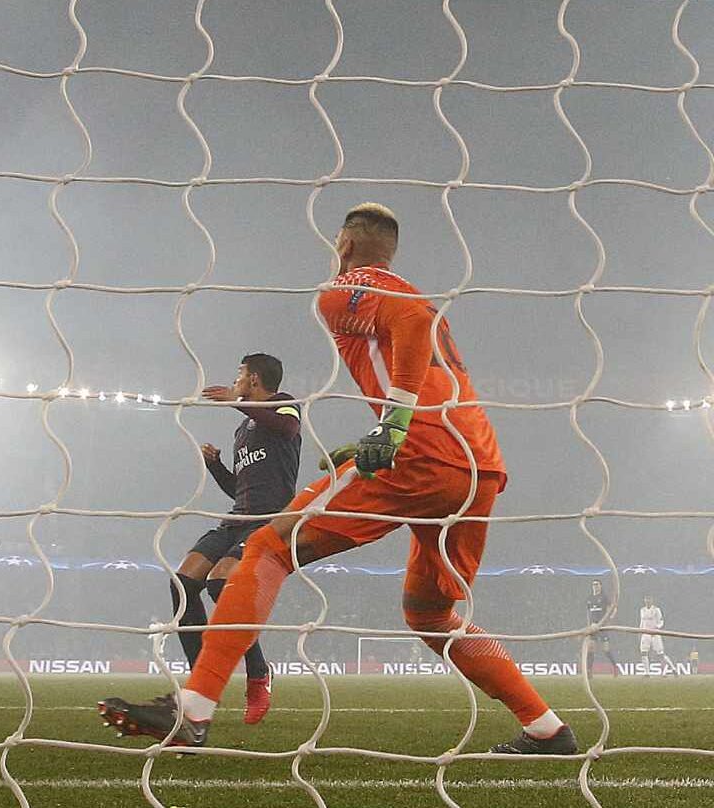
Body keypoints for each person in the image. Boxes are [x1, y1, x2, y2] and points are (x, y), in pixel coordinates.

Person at [98, 202, 575, 755]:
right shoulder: (412, 293)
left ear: (344, 243)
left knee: (268, 548)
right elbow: (421, 347)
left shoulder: (345, 287)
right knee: (430, 613)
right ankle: (546, 728)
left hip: (420, 454)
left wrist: (394, 427)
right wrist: (381, 430)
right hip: (477, 469)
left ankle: (194, 709)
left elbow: (411, 324)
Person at [169, 354, 300, 725]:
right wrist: (216, 467)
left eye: (240, 374)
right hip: (237, 517)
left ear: (254, 379)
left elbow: (288, 430)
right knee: (182, 585)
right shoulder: (243, 429)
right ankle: (200, 681)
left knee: (222, 585)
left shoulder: (283, 404)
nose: (235, 379)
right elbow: (240, 489)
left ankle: (259, 674)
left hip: (270, 520)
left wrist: (236, 400)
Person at [585, 580, 621, 675]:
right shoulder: (589, 598)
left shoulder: (604, 597)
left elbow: (613, 608)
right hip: (593, 627)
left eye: (597, 584)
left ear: (601, 586)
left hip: (602, 626)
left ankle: (615, 667)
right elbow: (588, 613)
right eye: (593, 585)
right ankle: (589, 671)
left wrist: (610, 619)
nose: (595, 586)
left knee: (606, 650)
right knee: (591, 648)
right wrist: (589, 625)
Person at [638, 595, 677, 676]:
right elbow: (642, 622)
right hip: (645, 634)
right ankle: (647, 673)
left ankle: (673, 668)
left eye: (649, 599)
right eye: (646, 599)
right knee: (643, 653)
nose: (647, 600)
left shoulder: (656, 610)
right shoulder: (642, 610)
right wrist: (639, 631)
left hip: (655, 634)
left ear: (652, 600)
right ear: (644, 600)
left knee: (661, 655)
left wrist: (657, 627)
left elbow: (661, 621)